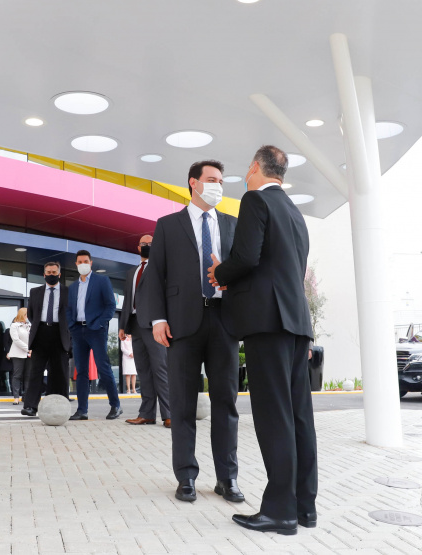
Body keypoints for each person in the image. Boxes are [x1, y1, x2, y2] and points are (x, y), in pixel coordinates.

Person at [208, 145, 318, 535]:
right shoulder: (295, 213)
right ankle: (304, 508)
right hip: (296, 324)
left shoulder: (256, 201)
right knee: (299, 417)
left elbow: (247, 257)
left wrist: (220, 273)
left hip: (267, 324)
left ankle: (279, 512)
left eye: (247, 168)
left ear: (256, 167)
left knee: (274, 418)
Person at [137, 160, 243, 504]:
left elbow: (243, 272)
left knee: (226, 403)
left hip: (224, 322)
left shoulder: (232, 225)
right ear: (193, 183)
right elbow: (156, 275)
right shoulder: (168, 225)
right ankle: (186, 477)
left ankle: (227, 478)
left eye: (221, 181)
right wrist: (157, 319)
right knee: (182, 404)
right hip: (181, 324)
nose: (218, 186)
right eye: (212, 180)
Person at [119, 234, 170, 427]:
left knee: (161, 370)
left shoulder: (162, 268)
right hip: (135, 325)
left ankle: (169, 414)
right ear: (138, 247)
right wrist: (122, 325)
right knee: (143, 371)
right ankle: (147, 414)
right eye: (143, 244)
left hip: (155, 325)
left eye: (150, 243)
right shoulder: (131, 272)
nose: (147, 246)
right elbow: (127, 299)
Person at [67, 250, 121, 421]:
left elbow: (110, 305)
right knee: (81, 371)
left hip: (96, 330)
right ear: (76, 264)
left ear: (91, 263)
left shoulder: (101, 281)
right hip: (78, 331)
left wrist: (100, 324)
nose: (82, 264)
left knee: (103, 367)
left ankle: (116, 406)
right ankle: (82, 410)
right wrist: (71, 326)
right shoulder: (73, 287)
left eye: (85, 261)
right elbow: (69, 309)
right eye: (79, 262)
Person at [21, 262, 70, 416]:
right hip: (40, 333)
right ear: (44, 274)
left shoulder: (68, 292)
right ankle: (30, 406)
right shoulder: (35, 292)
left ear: (59, 274)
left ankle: (59, 406)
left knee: (59, 372)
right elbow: (31, 314)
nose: (51, 275)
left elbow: (71, 314)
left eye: (54, 272)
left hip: (60, 333)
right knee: (35, 371)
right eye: (48, 272)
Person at [8, 308, 31, 405]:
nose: (28, 317)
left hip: (29, 354)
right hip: (18, 354)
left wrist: (31, 350)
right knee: (17, 375)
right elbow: (16, 340)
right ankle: (16, 397)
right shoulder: (14, 325)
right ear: (23, 315)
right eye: (27, 315)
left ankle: (27, 397)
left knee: (28, 376)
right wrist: (28, 349)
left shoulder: (29, 325)